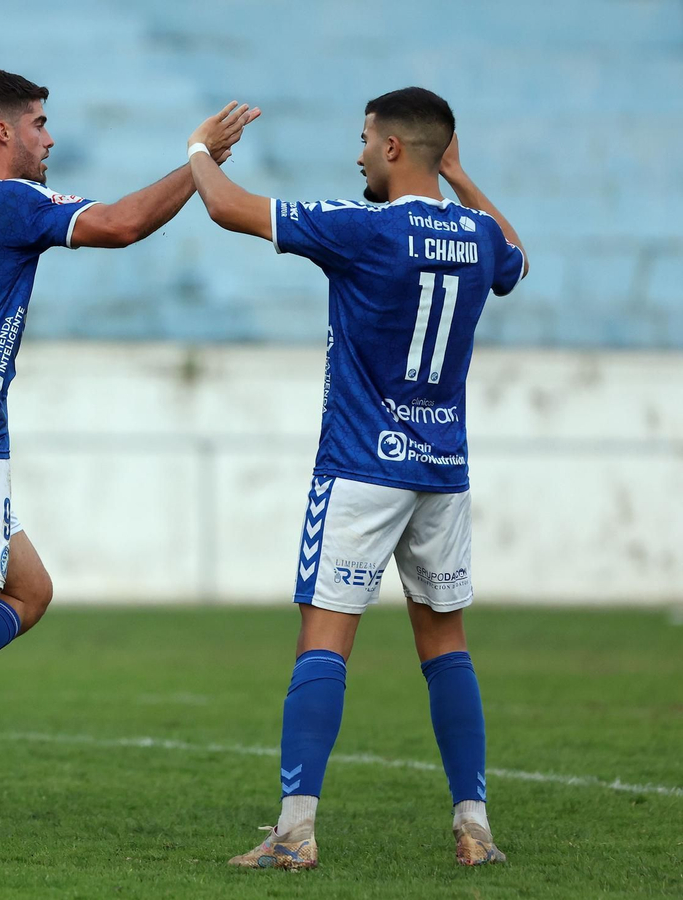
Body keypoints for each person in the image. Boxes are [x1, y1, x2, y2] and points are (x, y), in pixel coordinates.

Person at [0, 69, 258, 858]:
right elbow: (124, 225)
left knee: (30, 590)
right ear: (1, 133)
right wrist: (201, 158)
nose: (49, 138)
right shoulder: (8, 202)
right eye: (38, 123)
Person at [183, 87, 526, 869]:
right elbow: (518, 260)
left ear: (396, 149)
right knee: (446, 643)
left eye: (367, 139)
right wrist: (462, 179)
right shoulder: (476, 234)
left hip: (363, 465)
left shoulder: (364, 226)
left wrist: (199, 150)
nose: (359, 153)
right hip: (444, 470)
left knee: (324, 641)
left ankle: (295, 832)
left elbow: (230, 208)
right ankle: (475, 825)